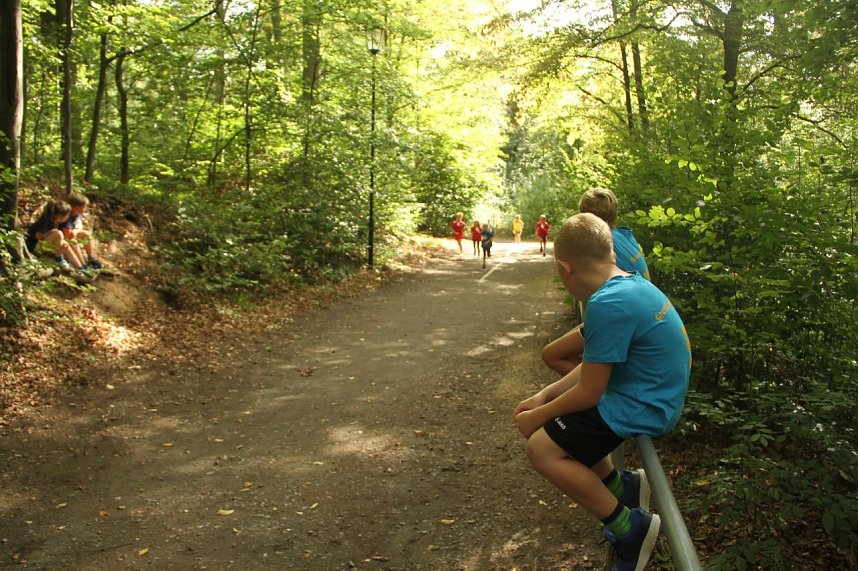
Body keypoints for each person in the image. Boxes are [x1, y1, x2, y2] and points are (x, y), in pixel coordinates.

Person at [513, 213, 691, 571]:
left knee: (542, 449)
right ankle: (618, 484)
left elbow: (589, 393)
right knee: (561, 423)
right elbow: (593, 367)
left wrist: (538, 415)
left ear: (565, 268)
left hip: (646, 403)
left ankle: (630, 529)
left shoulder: (608, 304)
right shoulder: (628, 284)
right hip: (647, 391)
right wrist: (544, 396)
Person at [543, 188, 650, 375]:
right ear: (615, 213)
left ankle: (602, 387)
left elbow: (600, 303)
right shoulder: (626, 236)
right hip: (638, 316)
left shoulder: (598, 244)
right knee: (561, 350)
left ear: (583, 215)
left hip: (622, 321)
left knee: (553, 355)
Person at [25, 199, 86, 273]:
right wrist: (52, 232)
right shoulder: (46, 220)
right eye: (67, 215)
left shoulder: (56, 222)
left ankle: (81, 268)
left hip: (44, 245)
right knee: (58, 233)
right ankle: (59, 258)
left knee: (66, 244)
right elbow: (38, 236)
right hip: (34, 247)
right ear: (60, 215)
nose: (68, 217)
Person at [62, 192, 104, 270]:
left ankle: (91, 258)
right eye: (82, 207)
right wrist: (74, 232)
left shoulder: (77, 214)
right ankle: (82, 265)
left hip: (69, 234)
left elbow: (79, 225)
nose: (84, 209)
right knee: (72, 241)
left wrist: (76, 231)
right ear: (75, 207)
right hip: (62, 237)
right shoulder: (66, 215)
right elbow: (67, 233)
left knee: (86, 234)